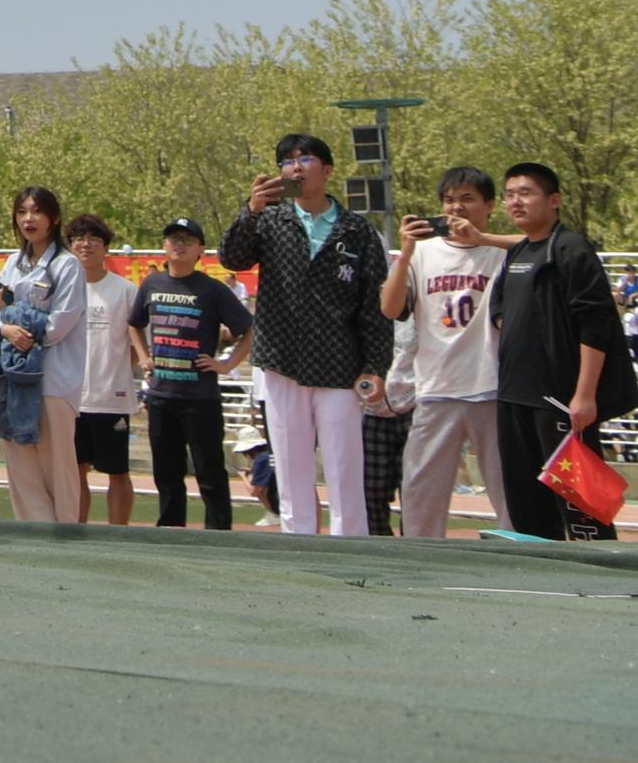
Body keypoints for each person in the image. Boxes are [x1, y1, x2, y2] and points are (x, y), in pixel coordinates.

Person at [219, 133, 393, 536]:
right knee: (292, 468)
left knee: (345, 470)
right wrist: (251, 209)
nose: (295, 167)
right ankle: (298, 547)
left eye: (306, 159)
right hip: (282, 363)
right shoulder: (271, 220)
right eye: (287, 161)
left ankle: (351, 549)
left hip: (339, 368)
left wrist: (374, 366)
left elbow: (374, 309)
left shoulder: (357, 231)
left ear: (327, 170)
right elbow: (233, 257)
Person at [488, 160, 634, 541]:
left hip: (559, 402)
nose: (515, 202)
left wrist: (584, 395)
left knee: (583, 509)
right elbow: (500, 312)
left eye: (526, 193)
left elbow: (596, 324)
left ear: (554, 200)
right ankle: (543, 582)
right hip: (514, 398)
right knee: (526, 506)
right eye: (509, 195)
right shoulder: (518, 253)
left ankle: (604, 585)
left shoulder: (570, 249)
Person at [380, 164, 511, 537]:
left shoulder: (501, 253)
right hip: (437, 388)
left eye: (468, 199)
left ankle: (518, 560)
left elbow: (540, 245)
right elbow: (390, 309)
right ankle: (423, 565)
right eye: (449, 200)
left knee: (507, 490)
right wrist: (404, 253)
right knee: (420, 492)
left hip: (492, 387)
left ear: (490, 205)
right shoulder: (423, 253)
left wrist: (485, 238)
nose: (456, 208)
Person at [131, 217, 254, 530]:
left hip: (200, 399)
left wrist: (226, 365)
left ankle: (218, 535)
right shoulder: (152, 284)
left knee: (210, 474)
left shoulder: (212, 290)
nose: (179, 244)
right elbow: (134, 323)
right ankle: (171, 533)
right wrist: (144, 357)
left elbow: (248, 330)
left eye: (187, 239)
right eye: (173, 238)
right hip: (160, 396)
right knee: (167, 475)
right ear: (164, 245)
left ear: (200, 249)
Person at [0, 186, 85, 523]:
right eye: (22, 212)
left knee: (57, 466)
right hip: (13, 378)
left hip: (53, 381)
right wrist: (5, 329)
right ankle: (34, 534)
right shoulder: (13, 264)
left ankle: (65, 533)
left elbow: (61, 322)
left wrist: (23, 332)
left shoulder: (68, 266)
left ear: (53, 218)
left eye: (36, 211)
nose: (28, 219)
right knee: (21, 466)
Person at [65, 214, 140, 527]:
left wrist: (114, 372)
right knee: (75, 471)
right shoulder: (62, 290)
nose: (86, 244)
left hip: (112, 397)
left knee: (118, 471)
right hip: (70, 398)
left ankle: (118, 534)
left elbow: (137, 347)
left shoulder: (125, 290)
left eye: (94, 239)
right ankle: (76, 532)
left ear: (106, 247)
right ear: (70, 246)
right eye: (80, 238)